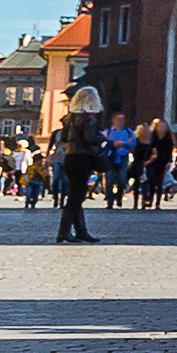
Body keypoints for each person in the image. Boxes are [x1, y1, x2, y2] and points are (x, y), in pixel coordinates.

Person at [51, 87, 104, 243]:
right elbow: (89, 138)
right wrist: (102, 136)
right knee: (76, 198)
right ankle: (64, 232)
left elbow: (65, 138)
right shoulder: (89, 118)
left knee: (76, 195)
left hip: (70, 157)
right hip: (83, 158)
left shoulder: (68, 118)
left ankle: (81, 231)